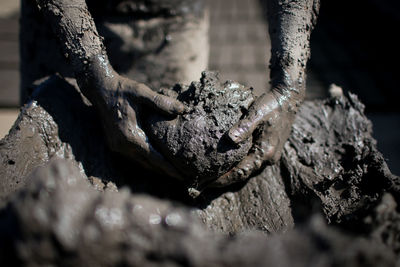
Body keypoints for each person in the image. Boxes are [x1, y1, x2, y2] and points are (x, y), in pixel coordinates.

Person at [28, 0, 320, 186]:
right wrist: (91, 70)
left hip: (174, 17)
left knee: (164, 172)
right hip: (62, 20)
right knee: (54, 181)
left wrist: (289, 84)